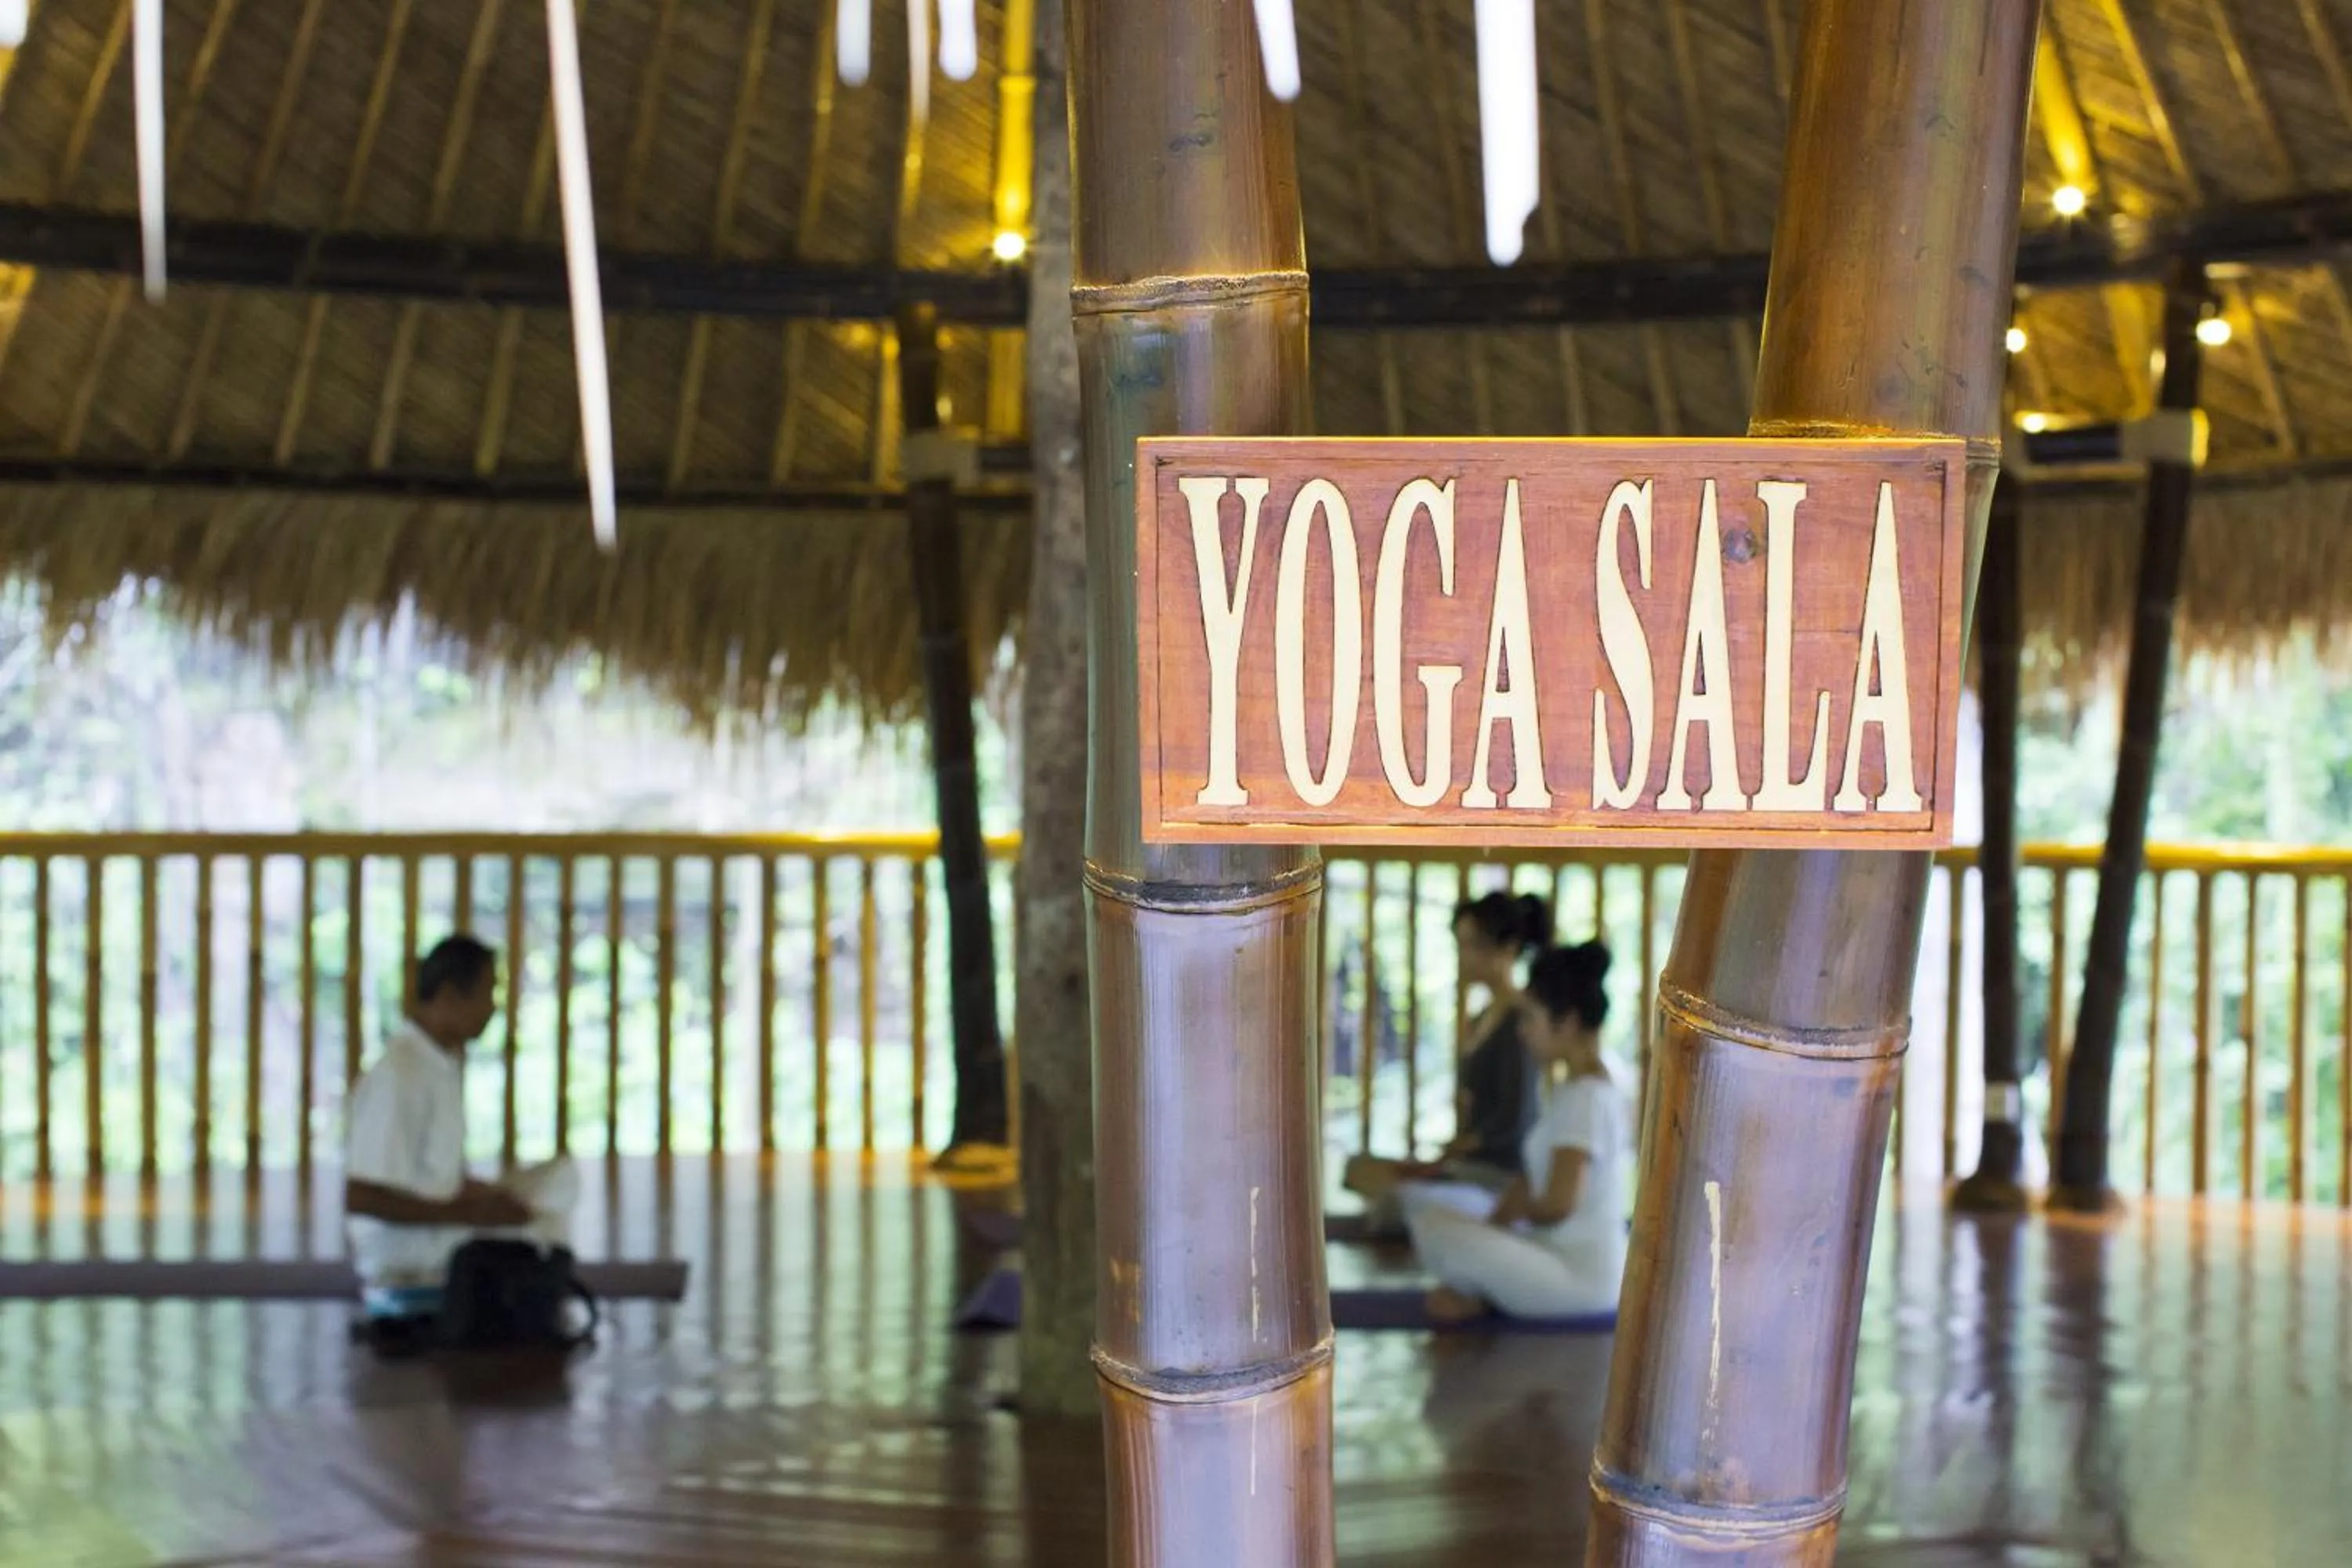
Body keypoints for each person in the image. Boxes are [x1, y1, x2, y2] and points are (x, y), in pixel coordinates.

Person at [344, 934, 578, 1318]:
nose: (493, 1008)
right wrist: (469, 1214)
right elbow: (362, 1196)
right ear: (450, 996)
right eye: (487, 994)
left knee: (558, 1181)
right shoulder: (401, 1073)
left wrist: (483, 1197)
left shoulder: (438, 1065)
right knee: (543, 1232)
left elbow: (431, 1176)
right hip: (402, 1250)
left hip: (435, 1225)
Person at [1401, 939, 1630, 1322]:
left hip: (1579, 1281)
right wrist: (1494, 1230)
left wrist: (1505, 1225)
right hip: (1557, 1258)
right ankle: (1483, 1293)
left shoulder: (1585, 1098)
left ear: (1567, 1022)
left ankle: (1481, 1296)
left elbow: (1557, 1205)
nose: (1523, 1032)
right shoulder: (1575, 1090)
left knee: (1435, 1225)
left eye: (1530, 1019)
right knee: (1432, 1211)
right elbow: (1528, 1183)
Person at [1341, 891, 1551, 1232]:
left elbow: (1515, 1119)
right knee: (1358, 1168)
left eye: (1475, 945)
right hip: (1465, 1163)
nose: (1465, 956)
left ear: (1508, 948)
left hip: (1498, 1171)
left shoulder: (1521, 1022)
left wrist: (1458, 1150)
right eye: (1461, 945)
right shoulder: (1482, 1017)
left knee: (1389, 1204)